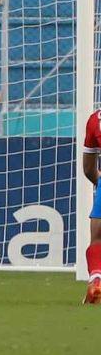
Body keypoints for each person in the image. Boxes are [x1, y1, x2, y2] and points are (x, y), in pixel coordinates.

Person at [79, 108, 101, 304]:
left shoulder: (96, 119)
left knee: (97, 239)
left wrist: (100, 183)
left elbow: (88, 168)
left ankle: (96, 278)